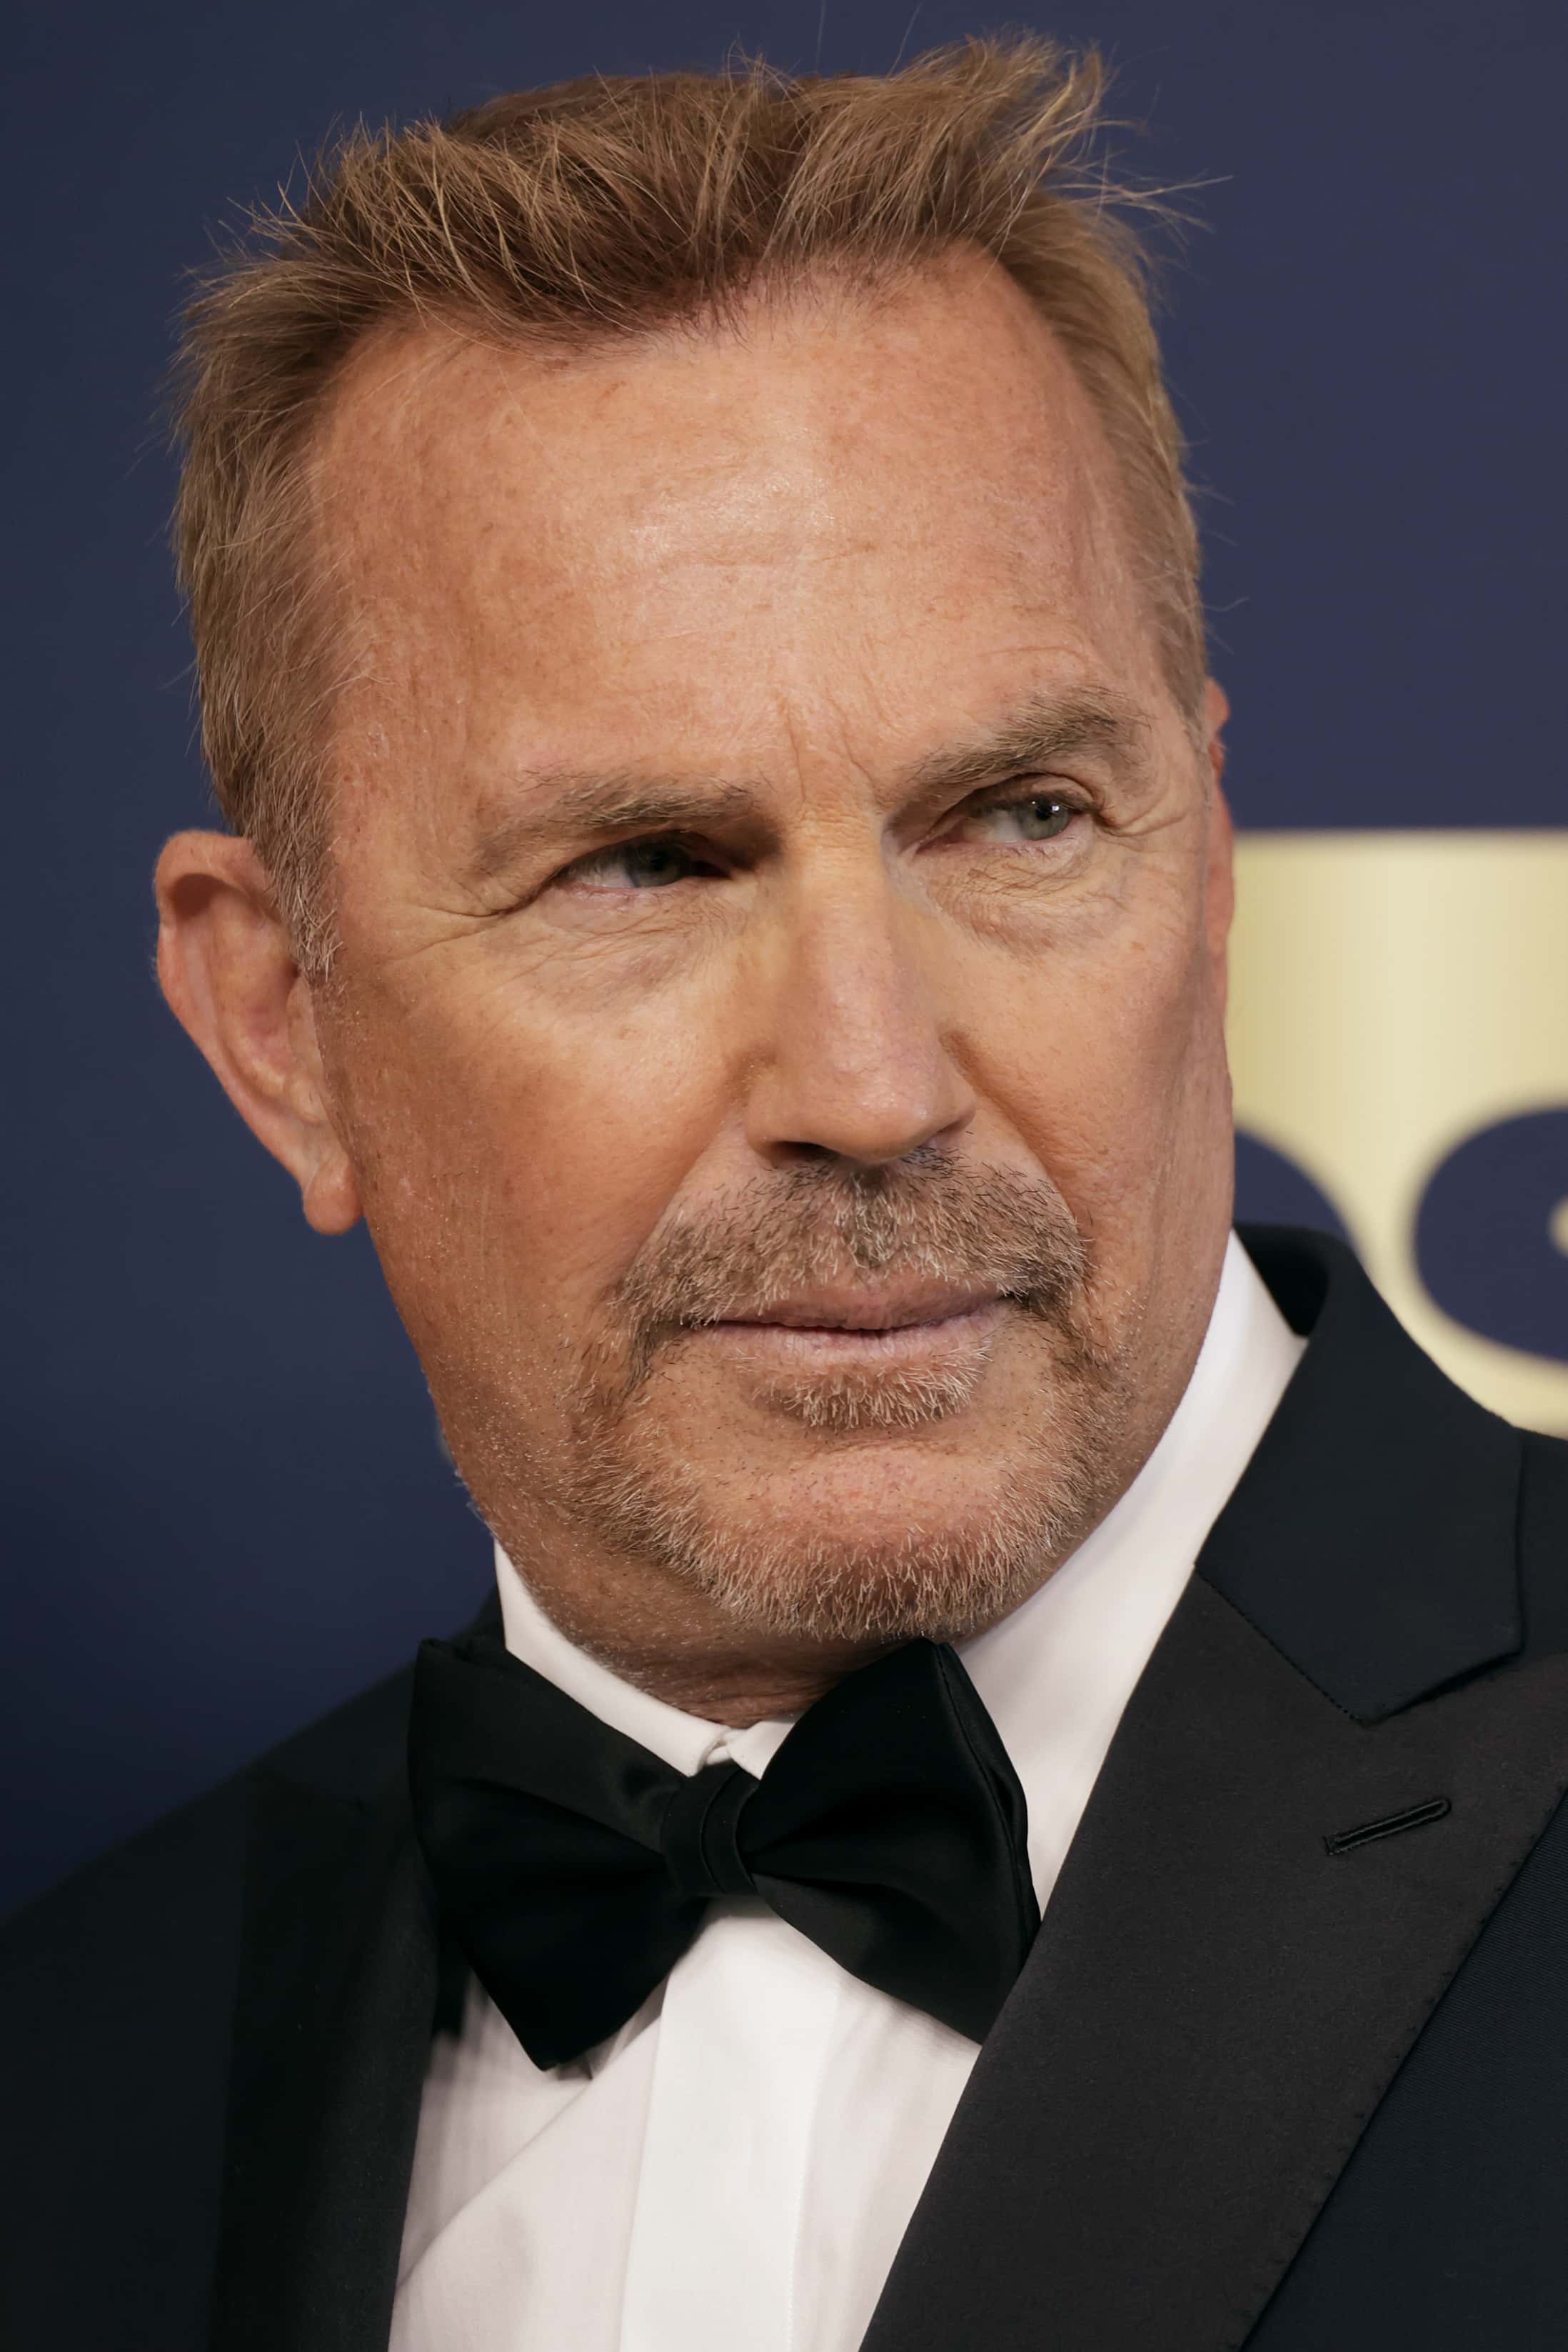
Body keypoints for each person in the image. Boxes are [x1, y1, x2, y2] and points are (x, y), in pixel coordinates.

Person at [4, 34, 1566, 2352]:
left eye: (1018, 818)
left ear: (1207, 853)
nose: (870, 1082)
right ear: (280, 1028)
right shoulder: (70, 2074)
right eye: (643, 863)